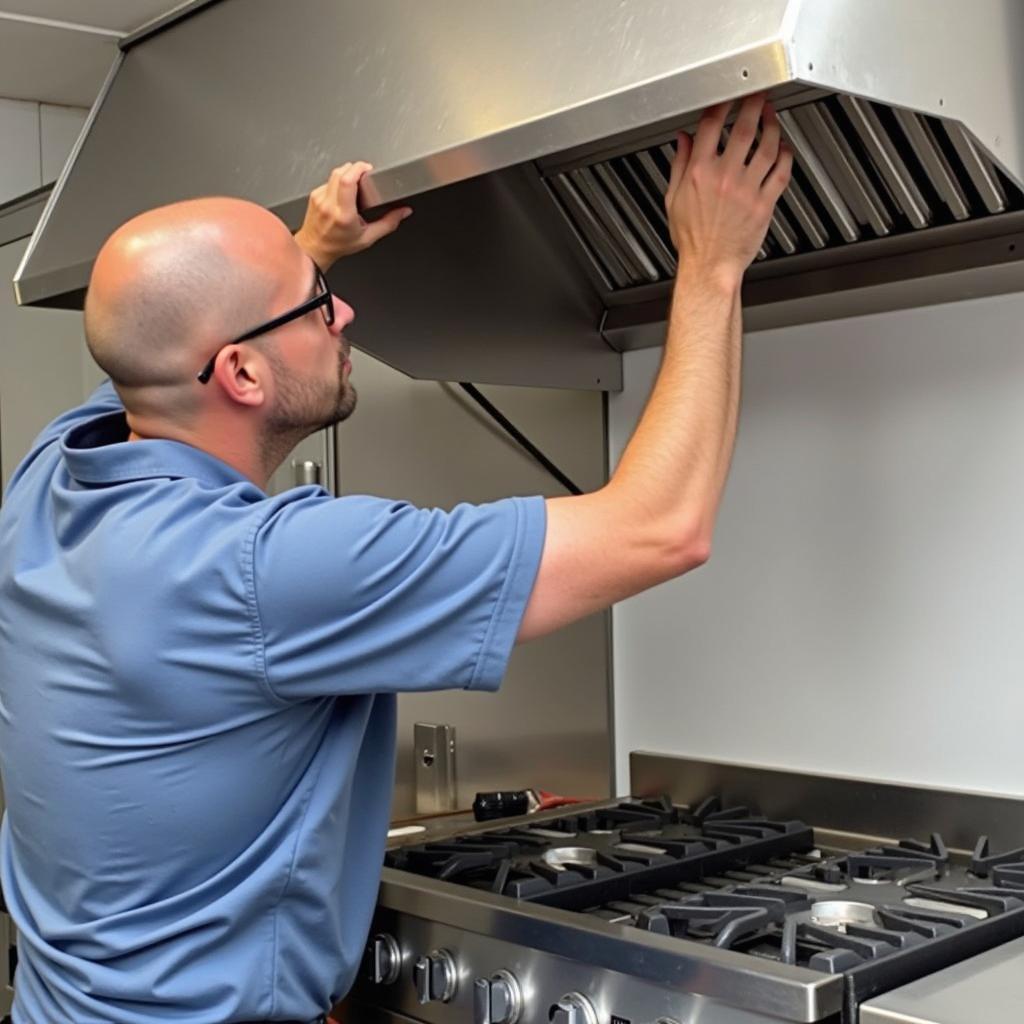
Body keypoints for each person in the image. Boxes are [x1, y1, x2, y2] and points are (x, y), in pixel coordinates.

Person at [0, 94, 790, 1023]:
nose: (344, 312)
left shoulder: (56, 475)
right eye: (314, 304)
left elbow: (166, 337)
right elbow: (662, 525)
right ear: (242, 376)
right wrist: (713, 260)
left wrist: (311, 245)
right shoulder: (264, 571)